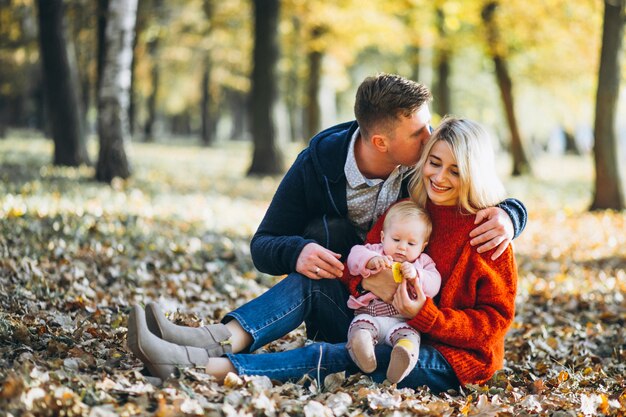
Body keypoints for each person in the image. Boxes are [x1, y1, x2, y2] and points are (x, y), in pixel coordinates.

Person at [127, 74, 525, 391]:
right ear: (382, 142)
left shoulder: (487, 230)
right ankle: (207, 340)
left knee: (341, 357)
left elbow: (494, 321)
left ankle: (199, 366)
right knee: (315, 283)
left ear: (472, 171)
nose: (436, 172)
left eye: (454, 169)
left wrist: (511, 214)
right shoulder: (414, 207)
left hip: (450, 356)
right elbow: (284, 245)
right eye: (433, 160)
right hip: (375, 320)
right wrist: (363, 272)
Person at [345, 200, 440, 384]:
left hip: (402, 321)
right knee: (360, 328)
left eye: (411, 243)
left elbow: (434, 283)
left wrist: (417, 276)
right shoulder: (375, 252)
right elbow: (354, 255)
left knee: (410, 338)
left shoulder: (422, 263)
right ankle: (362, 349)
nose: (402, 247)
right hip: (369, 314)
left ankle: (403, 357)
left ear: (423, 246)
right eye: (396, 240)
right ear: (382, 237)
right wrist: (370, 261)